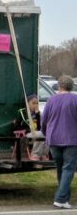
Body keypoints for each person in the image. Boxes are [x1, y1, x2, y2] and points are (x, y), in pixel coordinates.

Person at [41, 75, 77, 209]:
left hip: (54, 139)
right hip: (72, 139)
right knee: (68, 169)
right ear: (71, 86)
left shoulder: (51, 100)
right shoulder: (75, 100)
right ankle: (60, 198)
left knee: (60, 169)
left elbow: (44, 120)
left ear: (59, 86)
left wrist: (45, 133)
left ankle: (64, 199)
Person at [13, 94, 49, 161]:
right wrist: (26, 130)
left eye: (37, 103)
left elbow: (40, 127)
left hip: (36, 133)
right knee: (40, 134)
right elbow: (16, 126)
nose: (35, 105)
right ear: (27, 103)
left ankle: (44, 154)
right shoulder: (22, 112)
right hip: (25, 134)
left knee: (48, 133)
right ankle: (35, 154)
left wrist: (38, 115)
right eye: (33, 103)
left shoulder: (37, 113)